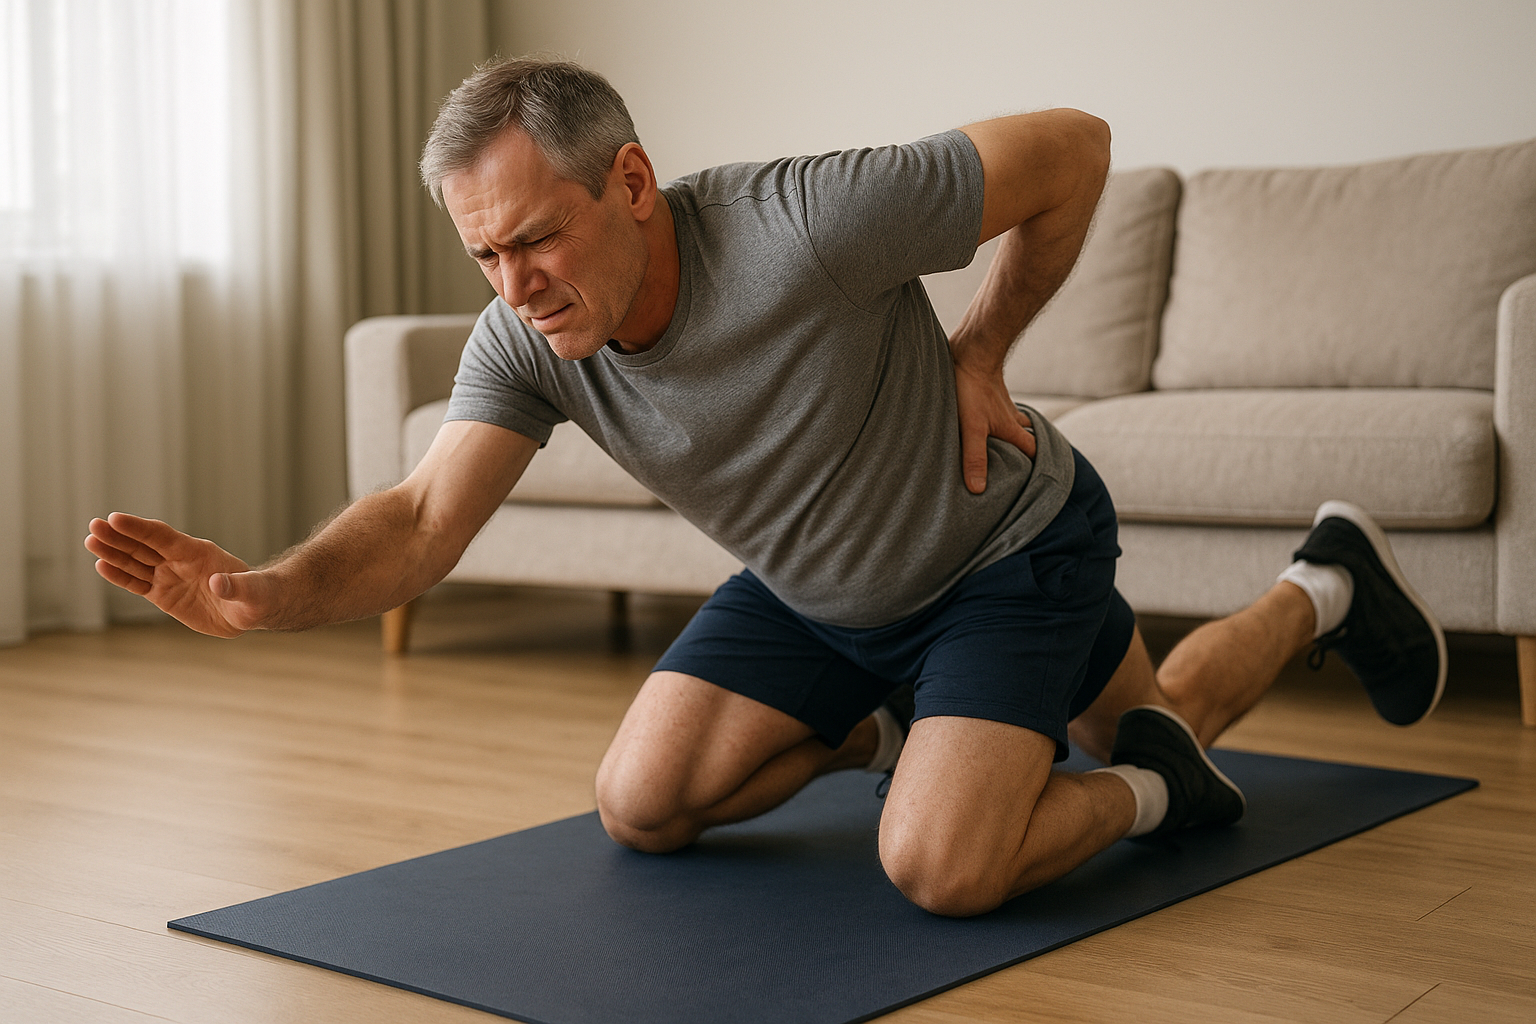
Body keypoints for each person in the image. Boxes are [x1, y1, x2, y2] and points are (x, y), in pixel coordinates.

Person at [84, 57, 1447, 917]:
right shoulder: (529, 339)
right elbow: (425, 519)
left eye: (536, 240)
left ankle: (1169, 781)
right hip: (816, 595)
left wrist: (981, 347)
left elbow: (1075, 144)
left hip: (999, 558)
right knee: (643, 804)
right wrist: (273, 592)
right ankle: (1325, 581)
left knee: (950, 865)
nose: (513, 290)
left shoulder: (806, 222)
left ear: (629, 182)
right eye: (484, 258)